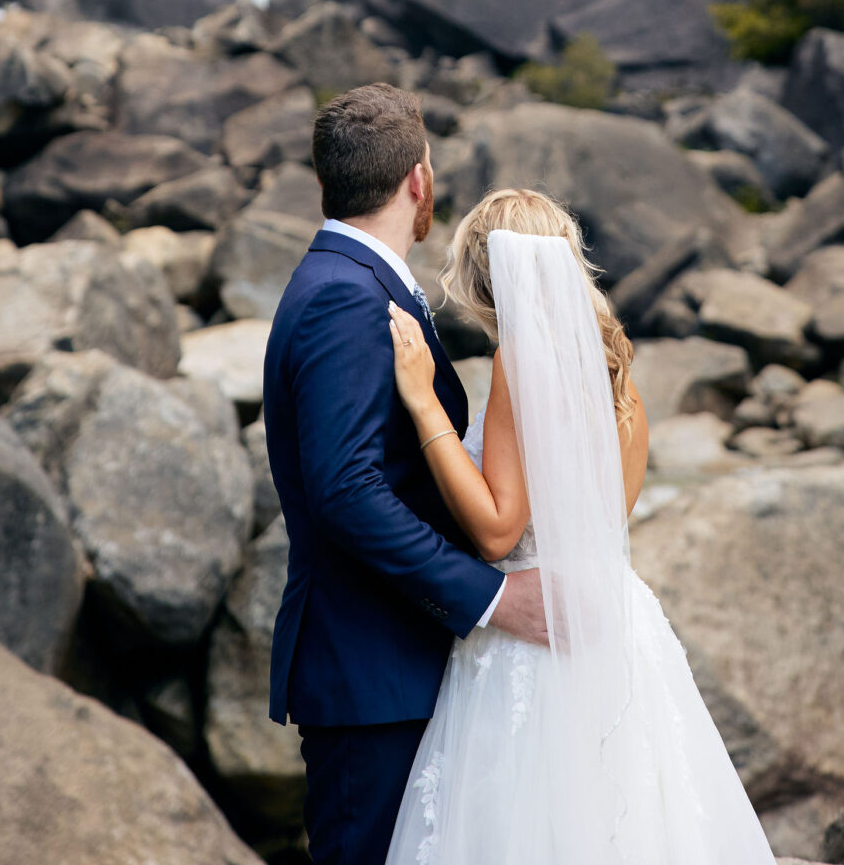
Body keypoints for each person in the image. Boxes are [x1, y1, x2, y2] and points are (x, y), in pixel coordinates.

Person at [384, 187, 778, 864]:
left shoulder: (518, 363)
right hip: (616, 624)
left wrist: (424, 408)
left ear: (487, 277)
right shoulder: (621, 383)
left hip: (534, 639)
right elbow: (598, 529)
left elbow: (499, 532)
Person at [263, 85, 548, 865]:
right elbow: (347, 492)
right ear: (418, 181)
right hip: (368, 675)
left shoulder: (353, 282)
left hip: (393, 663)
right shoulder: (344, 298)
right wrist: (490, 597)